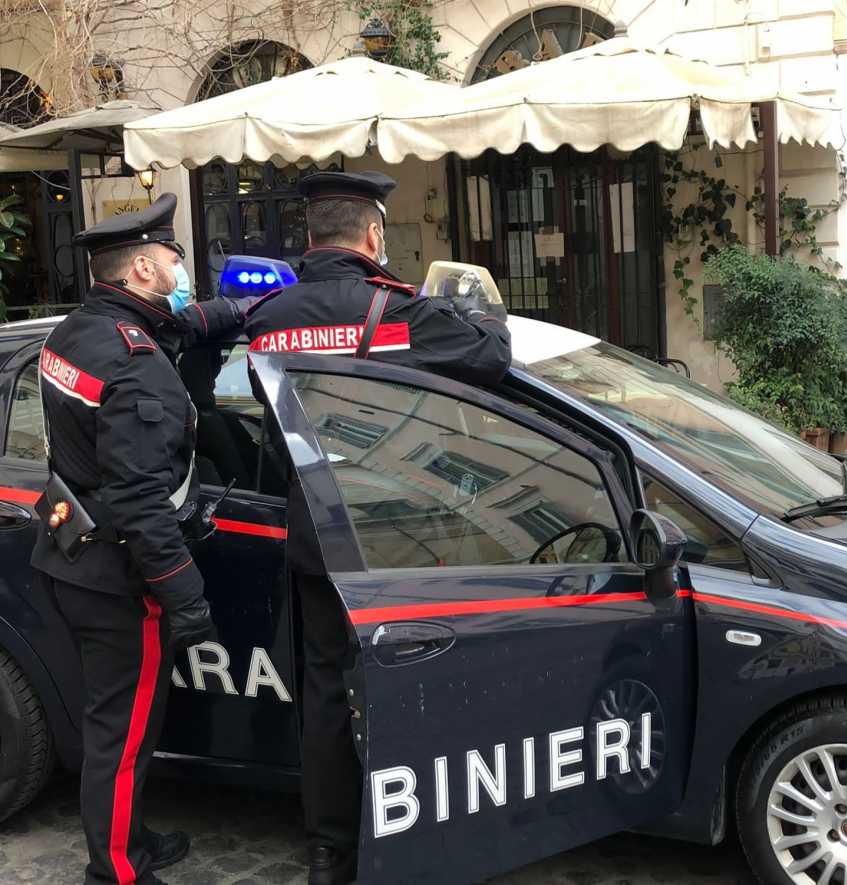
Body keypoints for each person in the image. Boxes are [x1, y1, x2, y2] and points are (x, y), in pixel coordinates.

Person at [243, 171, 512, 885]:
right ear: (373, 235)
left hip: (315, 535)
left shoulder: (270, 315)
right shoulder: (397, 311)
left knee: (327, 692)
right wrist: (487, 313)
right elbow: (491, 357)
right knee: (415, 686)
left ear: (310, 235)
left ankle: (330, 849)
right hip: (400, 535)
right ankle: (422, 834)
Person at [31, 194, 247, 885]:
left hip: (69, 554)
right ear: (147, 268)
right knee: (121, 735)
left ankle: (129, 834)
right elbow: (141, 502)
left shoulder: (78, 330)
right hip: (118, 576)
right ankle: (117, 870)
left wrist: (239, 312)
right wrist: (185, 596)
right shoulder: (135, 364)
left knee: (116, 722)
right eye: (175, 260)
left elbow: (176, 325)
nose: (182, 270)